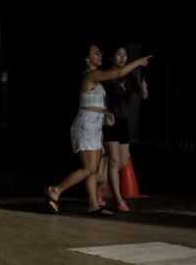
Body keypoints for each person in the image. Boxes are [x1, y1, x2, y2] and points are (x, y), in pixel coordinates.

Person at [43, 44, 151, 216]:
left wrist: (105, 113)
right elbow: (117, 73)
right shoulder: (91, 75)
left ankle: (93, 204)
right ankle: (55, 190)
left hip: (94, 125)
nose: (99, 54)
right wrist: (137, 62)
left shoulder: (96, 79)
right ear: (87, 59)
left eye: (100, 51)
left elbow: (91, 102)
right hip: (86, 125)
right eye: (95, 53)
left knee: (92, 169)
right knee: (88, 169)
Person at [100, 46, 150, 212]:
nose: (122, 57)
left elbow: (144, 96)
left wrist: (144, 88)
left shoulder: (129, 76)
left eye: (125, 55)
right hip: (110, 121)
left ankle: (100, 187)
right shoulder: (107, 75)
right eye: (119, 54)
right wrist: (105, 112)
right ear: (111, 57)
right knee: (114, 161)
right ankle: (119, 199)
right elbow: (101, 98)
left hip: (124, 122)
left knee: (121, 162)